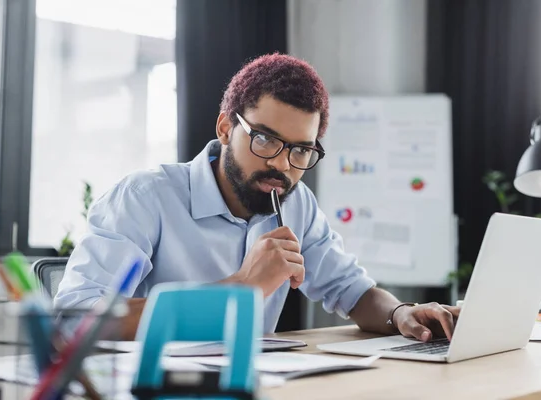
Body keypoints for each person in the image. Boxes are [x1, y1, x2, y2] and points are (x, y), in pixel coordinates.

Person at [55, 53, 460, 341]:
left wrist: (401, 313)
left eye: (301, 150)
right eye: (265, 139)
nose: (283, 166)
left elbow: (351, 290)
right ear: (226, 129)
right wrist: (241, 287)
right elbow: (74, 321)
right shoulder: (146, 198)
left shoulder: (296, 203)